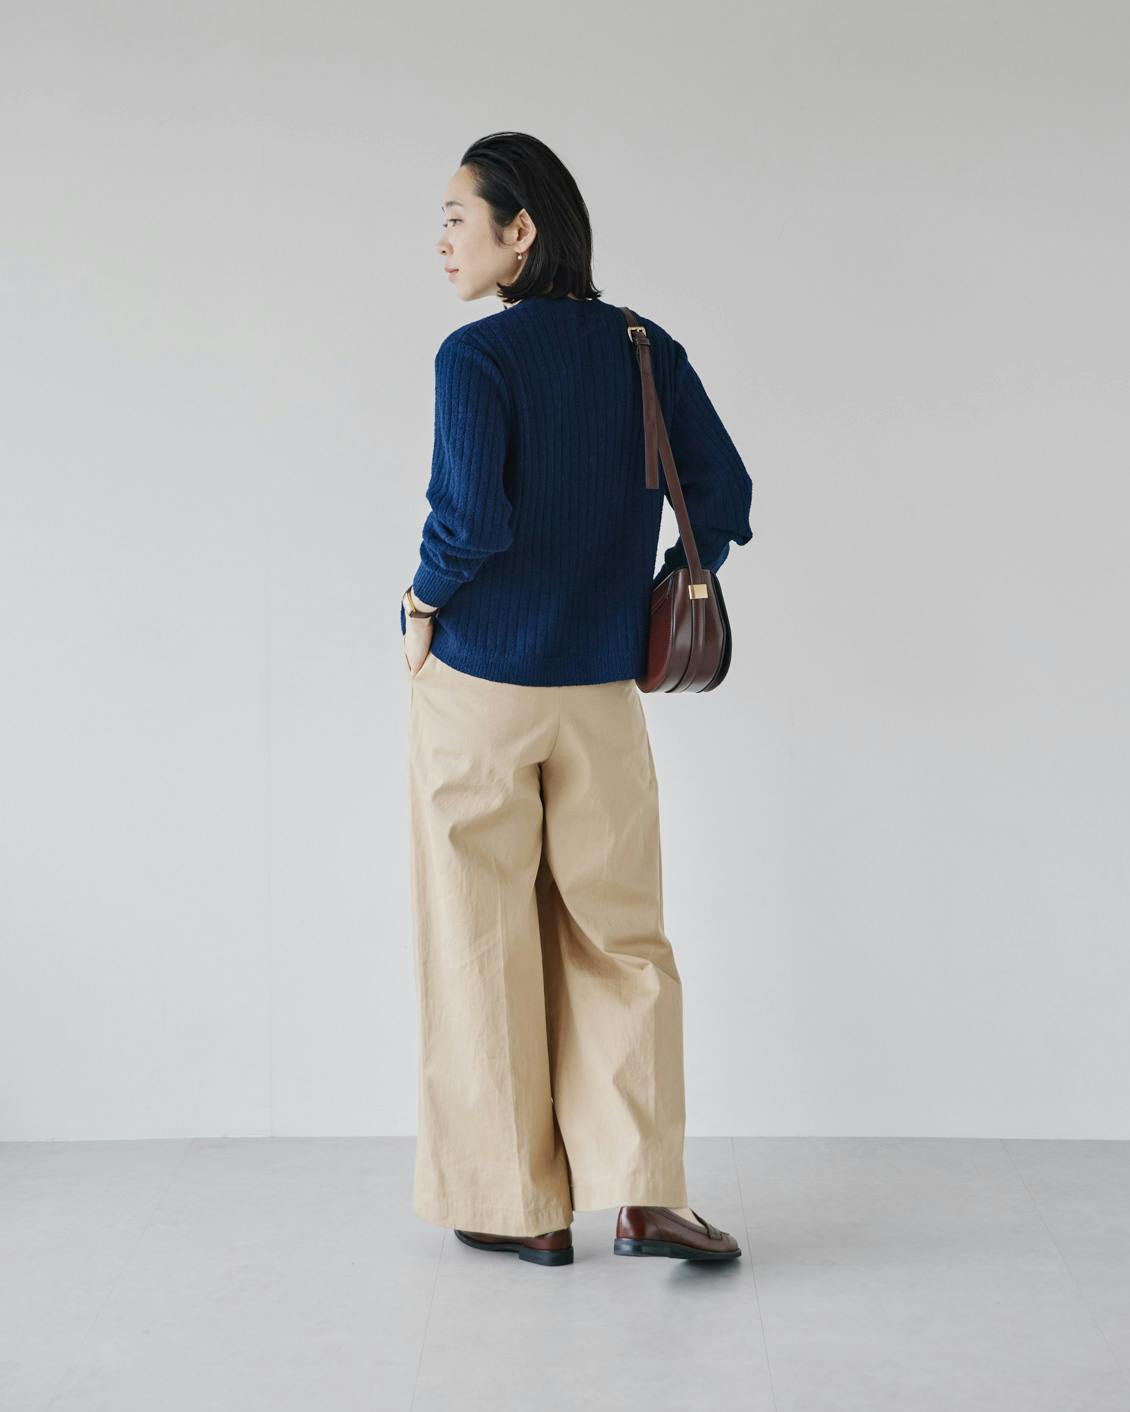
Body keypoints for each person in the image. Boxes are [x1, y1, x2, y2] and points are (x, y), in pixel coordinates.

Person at [401, 131, 752, 1267]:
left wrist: (418, 598)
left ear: (522, 231)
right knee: (622, 936)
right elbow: (723, 493)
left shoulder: (476, 358)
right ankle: (645, 1194)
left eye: (458, 217)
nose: (441, 239)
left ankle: (522, 1208)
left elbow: (471, 523)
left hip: (480, 689)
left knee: (481, 941)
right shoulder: (641, 347)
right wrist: (650, 590)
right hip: (600, 690)